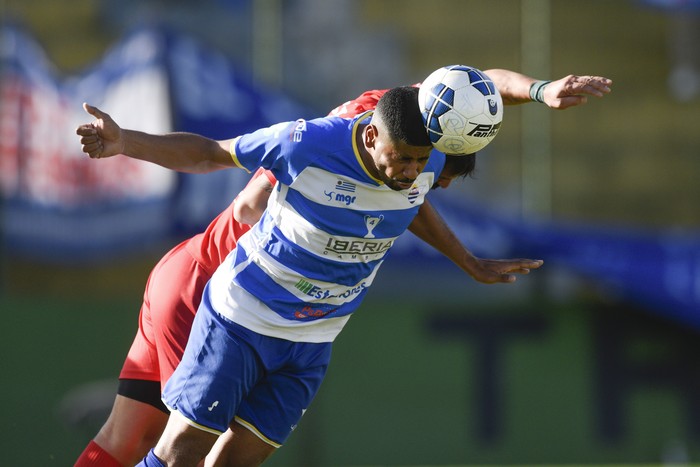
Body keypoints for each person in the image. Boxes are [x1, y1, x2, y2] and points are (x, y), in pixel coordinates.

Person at [74, 71, 612, 466]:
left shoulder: (416, 148)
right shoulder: (312, 145)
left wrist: (540, 92)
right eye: (410, 165)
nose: (419, 179)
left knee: (144, 442)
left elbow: (477, 87)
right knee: (174, 447)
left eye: (427, 170)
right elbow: (238, 194)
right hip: (212, 290)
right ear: (375, 134)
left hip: (306, 332)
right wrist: (128, 145)